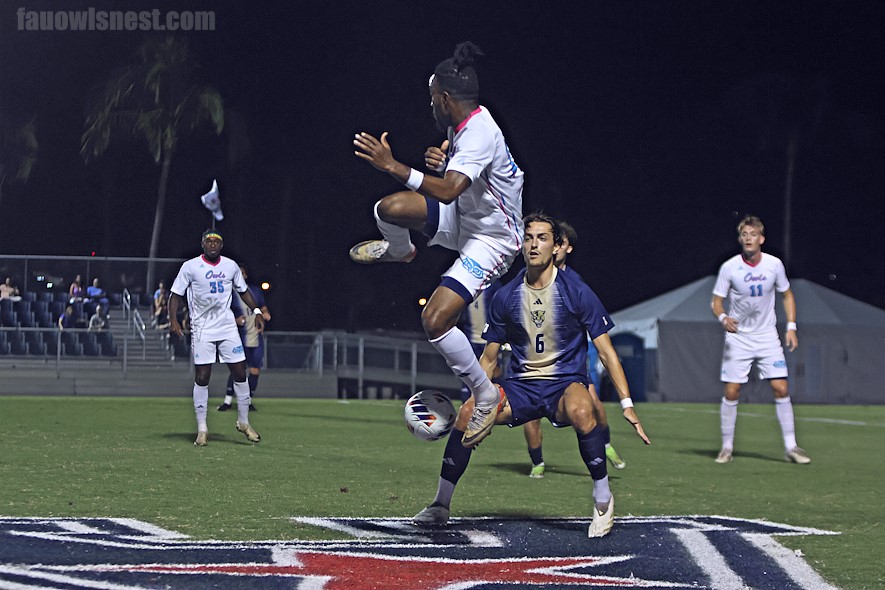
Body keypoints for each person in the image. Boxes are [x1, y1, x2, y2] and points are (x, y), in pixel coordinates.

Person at [412, 212, 650, 538]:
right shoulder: (504, 295)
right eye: (528, 238)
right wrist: (476, 402)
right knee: (467, 413)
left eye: (542, 238)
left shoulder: (577, 291)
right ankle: (440, 504)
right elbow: (490, 358)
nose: (534, 244)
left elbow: (607, 352)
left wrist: (626, 403)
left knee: (583, 409)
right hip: (521, 386)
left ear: (555, 247)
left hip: (564, 384)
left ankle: (602, 498)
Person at [350, 42, 524, 449]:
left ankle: (485, 393)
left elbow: (447, 191)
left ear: (446, 99)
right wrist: (443, 159)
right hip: (465, 216)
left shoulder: (480, 132)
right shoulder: (462, 126)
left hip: (493, 240)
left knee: (434, 320)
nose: (430, 105)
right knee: (387, 208)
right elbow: (456, 178)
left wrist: (394, 165)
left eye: (432, 99)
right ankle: (401, 251)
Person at [522, 220, 627, 478]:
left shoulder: (575, 284)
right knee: (530, 415)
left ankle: (605, 444)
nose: (554, 249)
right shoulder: (529, 278)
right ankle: (537, 462)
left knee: (593, 405)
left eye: (560, 244)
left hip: (571, 361)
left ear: (566, 248)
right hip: (536, 361)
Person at [711, 215, 809, 465]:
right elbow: (716, 301)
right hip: (739, 338)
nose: (748, 238)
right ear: (740, 239)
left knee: (781, 387)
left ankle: (791, 447)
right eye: (744, 234)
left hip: (767, 336)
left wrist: (791, 327)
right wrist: (723, 318)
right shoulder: (730, 267)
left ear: (761, 239)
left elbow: (787, 295)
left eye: (753, 234)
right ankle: (726, 447)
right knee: (732, 391)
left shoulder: (774, 265)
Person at [167, 229, 265, 447]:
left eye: (216, 241)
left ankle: (244, 422)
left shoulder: (230, 266)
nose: (212, 244)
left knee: (240, 371)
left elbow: (243, 290)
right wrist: (173, 319)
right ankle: (202, 429)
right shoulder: (190, 266)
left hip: (227, 326)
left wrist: (257, 312)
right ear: (202, 244)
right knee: (202, 376)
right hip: (203, 328)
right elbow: (176, 294)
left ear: (221, 245)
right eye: (208, 241)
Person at [218, 264, 271, 413]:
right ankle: (227, 401)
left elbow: (263, 307)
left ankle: (248, 401)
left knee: (254, 370)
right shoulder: (229, 293)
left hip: (255, 336)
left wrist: (265, 314)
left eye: (242, 274)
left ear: (246, 276)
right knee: (238, 369)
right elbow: (221, 314)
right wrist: (235, 321)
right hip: (238, 337)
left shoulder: (255, 291)